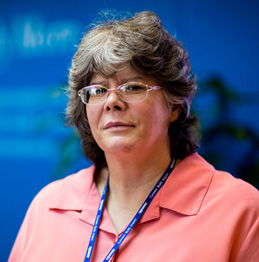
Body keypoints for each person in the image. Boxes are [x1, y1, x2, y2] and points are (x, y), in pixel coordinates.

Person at [9, 10, 259, 262]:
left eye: (132, 87)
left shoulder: (242, 210)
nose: (112, 102)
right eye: (97, 90)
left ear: (173, 105)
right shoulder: (48, 206)